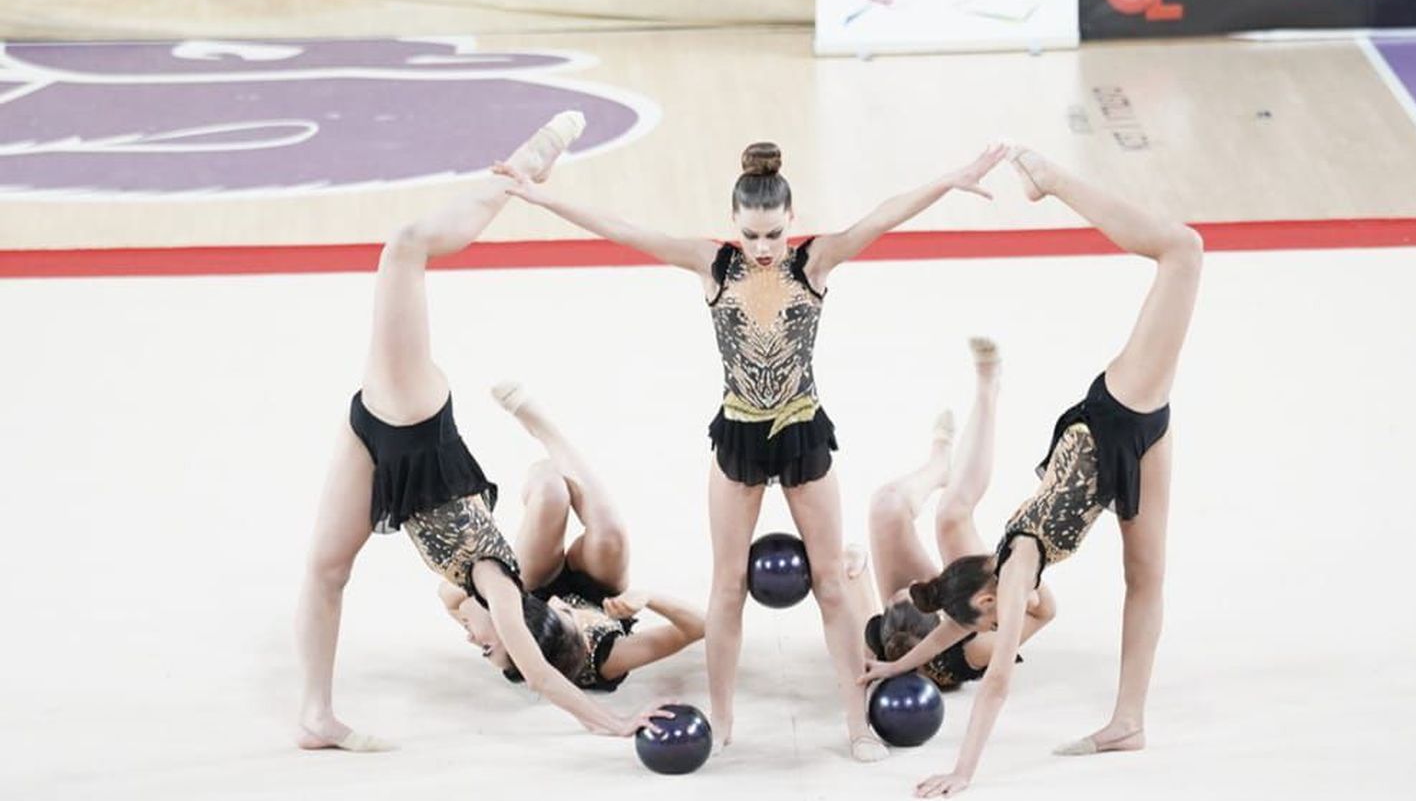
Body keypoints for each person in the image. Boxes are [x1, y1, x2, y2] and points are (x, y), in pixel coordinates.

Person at [495, 139, 1007, 760]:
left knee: (831, 585)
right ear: (734, 224)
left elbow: (883, 216)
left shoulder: (814, 263)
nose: (763, 249)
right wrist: (538, 196)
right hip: (737, 435)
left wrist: (951, 177)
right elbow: (624, 230)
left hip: (802, 433)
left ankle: (855, 722)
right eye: (752, 236)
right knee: (728, 586)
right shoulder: (714, 265)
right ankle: (725, 715)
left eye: (772, 235)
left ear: (791, 221)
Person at [295, 112, 670, 751]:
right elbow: (541, 671)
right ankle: (522, 171)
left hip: (376, 445)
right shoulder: (496, 578)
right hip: (409, 417)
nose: (475, 641)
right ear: (506, 617)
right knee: (405, 247)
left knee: (326, 571)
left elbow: (520, 657)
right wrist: (608, 721)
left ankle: (315, 717)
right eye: (488, 641)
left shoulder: (473, 592)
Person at [862, 147, 1202, 797]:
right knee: (1146, 577)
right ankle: (1128, 720)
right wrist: (893, 666)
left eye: (990, 621)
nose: (997, 629)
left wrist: (963, 770)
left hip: (1115, 418)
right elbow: (953, 635)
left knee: (1182, 251)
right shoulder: (996, 572)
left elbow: (996, 682)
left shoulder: (1016, 571)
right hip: (1126, 462)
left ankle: (1056, 183)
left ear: (988, 601)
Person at [434, 381, 706, 692]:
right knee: (610, 537)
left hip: (532, 587)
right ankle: (547, 432)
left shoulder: (501, 614)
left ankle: (547, 474)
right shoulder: (606, 658)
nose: (472, 639)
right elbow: (699, 627)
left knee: (551, 490)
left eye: (482, 646)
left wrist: (486, 604)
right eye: (486, 648)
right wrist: (649, 599)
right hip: (600, 594)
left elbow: (447, 594)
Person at [850, 338, 1056, 690]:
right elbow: (1045, 613)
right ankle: (988, 386)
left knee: (885, 506)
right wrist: (1026, 588)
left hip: (953, 606)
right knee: (951, 518)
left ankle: (938, 463)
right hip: (982, 601)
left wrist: (853, 565)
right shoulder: (975, 648)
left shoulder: (880, 634)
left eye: (896, 597)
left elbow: (855, 601)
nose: (907, 585)